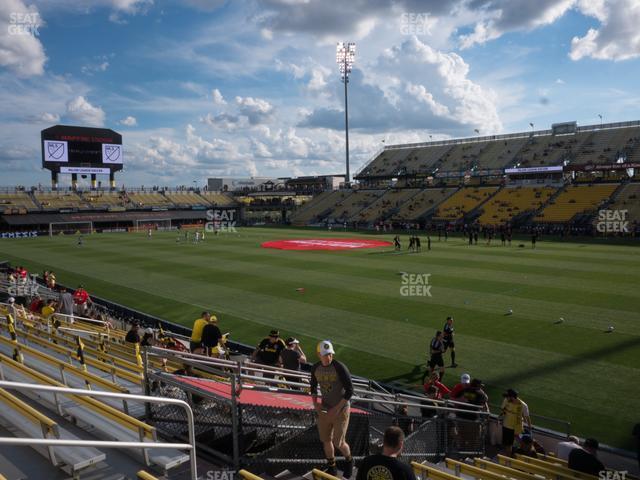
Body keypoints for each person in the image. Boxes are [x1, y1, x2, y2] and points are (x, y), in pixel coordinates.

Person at [311, 340, 354, 478]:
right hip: (324, 408)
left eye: (330, 354)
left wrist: (337, 408)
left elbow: (350, 390)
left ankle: (349, 461)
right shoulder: (315, 368)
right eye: (325, 354)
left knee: (338, 442)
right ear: (319, 354)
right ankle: (332, 467)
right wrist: (315, 403)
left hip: (341, 409)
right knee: (326, 439)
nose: (328, 357)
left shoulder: (340, 367)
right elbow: (313, 387)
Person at [500, 389, 532, 455]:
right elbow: (503, 410)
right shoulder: (506, 400)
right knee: (507, 444)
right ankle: (508, 456)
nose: (506, 398)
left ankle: (526, 453)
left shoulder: (523, 405)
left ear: (512, 397)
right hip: (506, 425)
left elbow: (527, 417)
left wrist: (529, 427)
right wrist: (500, 418)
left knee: (512, 443)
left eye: (507, 396)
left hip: (516, 427)